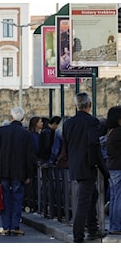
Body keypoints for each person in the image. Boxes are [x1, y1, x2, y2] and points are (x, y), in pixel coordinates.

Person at [62, 92, 108, 243]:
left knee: (91, 196)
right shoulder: (92, 122)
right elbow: (93, 144)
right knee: (83, 202)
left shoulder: (68, 123)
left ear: (75, 106)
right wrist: (99, 166)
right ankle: (79, 235)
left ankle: (93, 228)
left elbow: (66, 145)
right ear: (89, 105)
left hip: (75, 165)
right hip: (87, 166)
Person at [0, 107, 35, 236]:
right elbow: (30, 156)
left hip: (3, 171)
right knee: (17, 198)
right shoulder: (26, 134)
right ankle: (15, 226)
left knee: (5, 198)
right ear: (23, 119)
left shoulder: (2, 131)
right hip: (19, 173)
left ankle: (5, 226)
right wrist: (28, 175)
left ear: (11, 118)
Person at [106, 106, 121, 235]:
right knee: (118, 198)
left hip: (112, 167)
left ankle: (113, 225)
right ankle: (116, 226)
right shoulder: (119, 131)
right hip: (119, 167)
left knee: (114, 197)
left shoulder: (111, 132)